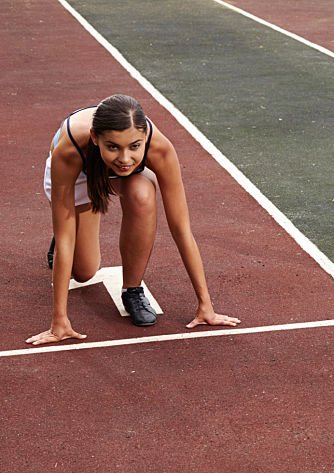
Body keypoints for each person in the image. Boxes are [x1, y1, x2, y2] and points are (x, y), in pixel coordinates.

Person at [27, 94, 239, 345]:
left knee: (143, 193)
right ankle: (79, 221)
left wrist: (206, 306)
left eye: (135, 146)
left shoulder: (159, 148)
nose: (125, 158)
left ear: (144, 139)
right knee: (84, 271)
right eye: (114, 146)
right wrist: (59, 321)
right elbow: (65, 238)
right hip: (81, 175)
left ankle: (133, 290)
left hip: (119, 178)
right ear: (96, 138)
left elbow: (181, 229)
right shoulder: (69, 149)